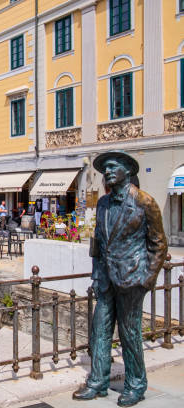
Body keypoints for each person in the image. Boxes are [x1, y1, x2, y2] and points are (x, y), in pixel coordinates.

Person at [72, 151, 167, 407]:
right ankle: (97, 382)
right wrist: (95, 274)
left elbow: (159, 244)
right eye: (106, 169)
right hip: (106, 278)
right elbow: (97, 243)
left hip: (132, 278)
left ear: (127, 169)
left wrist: (147, 278)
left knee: (129, 333)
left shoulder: (144, 202)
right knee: (99, 332)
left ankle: (136, 384)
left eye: (114, 167)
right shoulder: (102, 204)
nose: (108, 172)